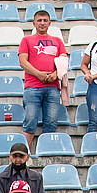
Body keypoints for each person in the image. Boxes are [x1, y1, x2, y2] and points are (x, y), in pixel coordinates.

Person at [19, 8, 69, 138]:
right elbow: (23, 61)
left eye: (45, 20)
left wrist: (55, 73)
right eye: (39, 20)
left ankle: (48, 151)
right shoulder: (26, 40)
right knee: (30, 122)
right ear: (34, 23)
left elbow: (64, 59)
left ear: (50, 23)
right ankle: (25, 155)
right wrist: (38, 74)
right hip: (33, 87)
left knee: (51, 123)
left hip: (53, 87)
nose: (42, 23)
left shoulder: (57, 40)